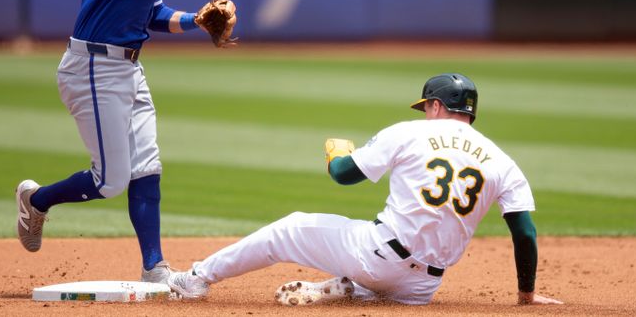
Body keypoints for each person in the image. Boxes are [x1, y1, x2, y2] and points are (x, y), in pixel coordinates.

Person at [14, 0, 305, 283]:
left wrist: (196, 21)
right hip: (95, 67)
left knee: (147, 166)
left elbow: (153, 16)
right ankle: (36, 199)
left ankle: (155, 268)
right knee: (110, 181)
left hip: (127, 66)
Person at [166, 73, 563, 306]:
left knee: (288, 228)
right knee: (384, 283)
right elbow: (524, 232)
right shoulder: (502, 161)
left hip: (376, 256)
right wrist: (526, 296)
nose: (425, 112)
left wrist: (336, 156)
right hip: (424, 286)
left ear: (439, 106)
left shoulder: (409, 134)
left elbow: (344, 175)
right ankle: (348, 289)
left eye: (427, 105)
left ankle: (197, 278)